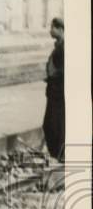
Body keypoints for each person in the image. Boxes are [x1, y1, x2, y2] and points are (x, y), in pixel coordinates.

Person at [43, 17, 65, 163]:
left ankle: (58, 156)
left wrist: (53, 77)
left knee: (52, 125)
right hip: (54, 92)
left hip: (57, 94)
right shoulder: (59, 46)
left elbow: (62, 71)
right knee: (52, 125)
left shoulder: (63, 48)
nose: (50, 30)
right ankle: (58, 155)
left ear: (60, 29)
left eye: (53, 27)